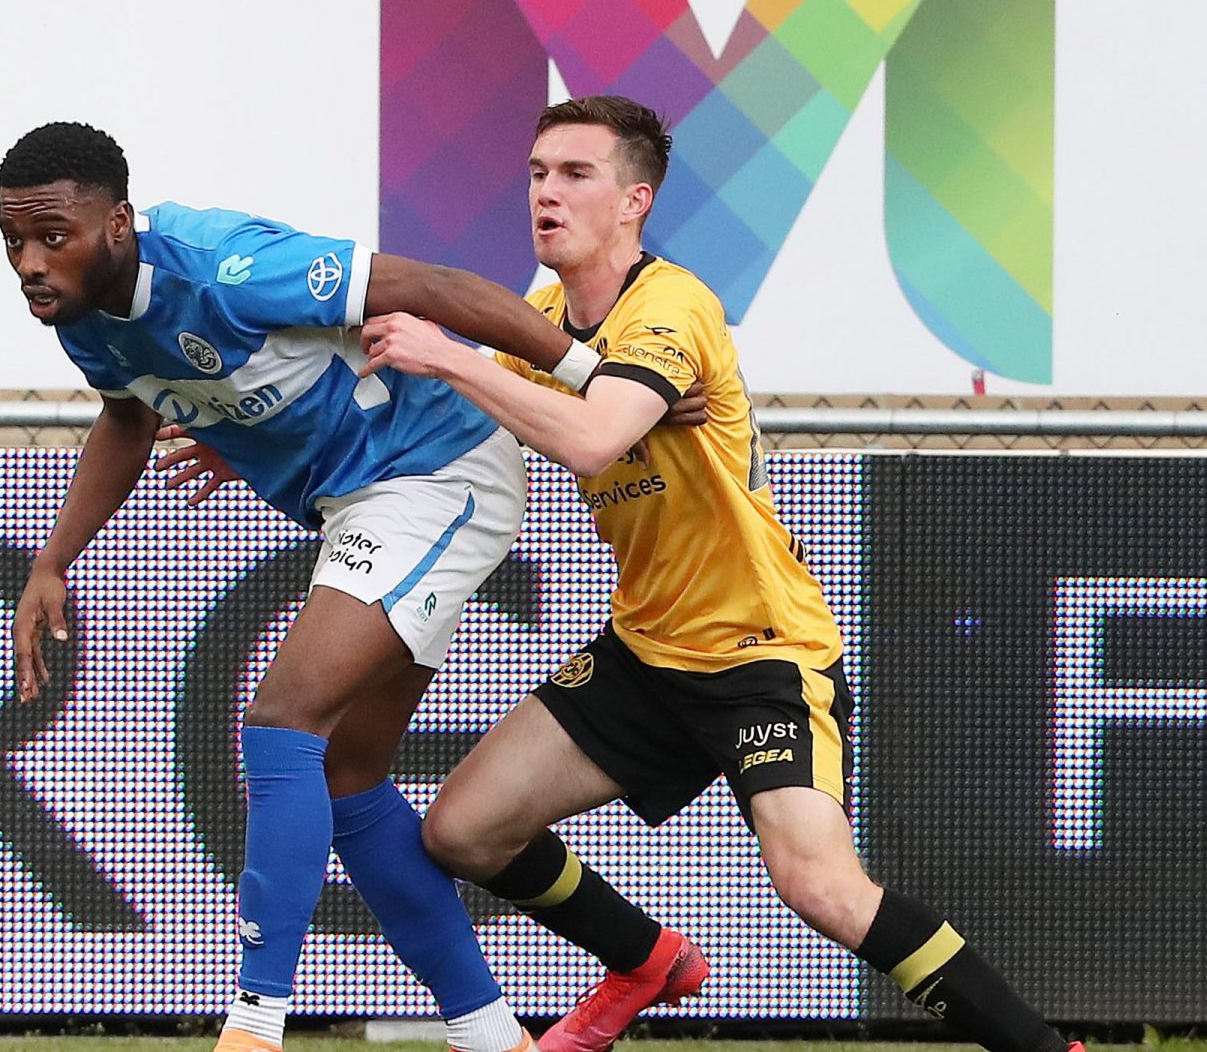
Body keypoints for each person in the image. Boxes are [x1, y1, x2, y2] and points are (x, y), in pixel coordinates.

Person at [358, 96, 1083, 1052]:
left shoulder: (673, 305)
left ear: (634, 202)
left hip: (759, 650)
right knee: (463, 832)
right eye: (537, 173)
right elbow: (430, 428)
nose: (546, 193)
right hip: (648, 651)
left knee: (821, 889)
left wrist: (451, 356)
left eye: (576, 175)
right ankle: (645, 960)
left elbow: (590, 436)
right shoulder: (536, 326)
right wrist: (255, 442)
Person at [0, 121, 608, 1052]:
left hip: (435, 470)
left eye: (53, 236)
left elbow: (437, 290)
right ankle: (493, 1037)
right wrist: (53, 561)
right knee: (349, 777)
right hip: (361, 500)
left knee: (283, 723)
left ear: (118, 223)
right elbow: (125, 417)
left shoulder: (222, 265)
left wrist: (589, 376)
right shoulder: (83, 315)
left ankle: (254, 1025)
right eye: (13, 241)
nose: (31, 262)